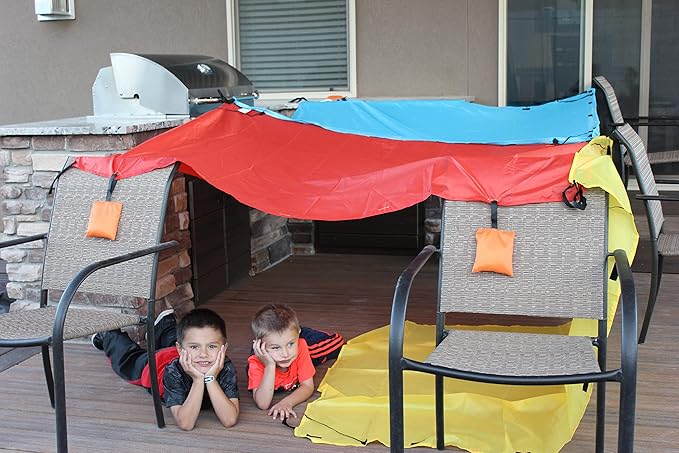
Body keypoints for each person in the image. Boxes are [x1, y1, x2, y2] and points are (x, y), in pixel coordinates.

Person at [92, 308, 239, 430]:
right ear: (180, 350)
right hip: (157, 364)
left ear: (224, 348)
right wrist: (198, 380)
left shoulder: (224, 367)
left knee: (184, 341)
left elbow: (230, 419)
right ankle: (109, 333)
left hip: (185, 356)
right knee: (127, 360)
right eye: (195, 347)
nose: (204, 354)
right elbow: (185, 423)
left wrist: (210, 378)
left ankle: (165, 324)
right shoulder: (172, 372)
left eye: (212, 346)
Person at [248, 304, 344, 421]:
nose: (285, 354)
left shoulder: (301, 346)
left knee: (337, 344)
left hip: (307, 348)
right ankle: (289, 336)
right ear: (259, 346)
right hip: (290, 348)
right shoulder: (256, 362)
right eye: (275, 347)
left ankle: (298, 332)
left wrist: (287, 403)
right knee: (289, 343)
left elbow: (307, 386)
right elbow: (263, 404)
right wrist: (269, 366)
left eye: (290, 344)